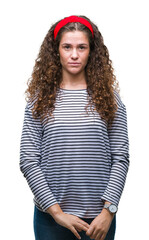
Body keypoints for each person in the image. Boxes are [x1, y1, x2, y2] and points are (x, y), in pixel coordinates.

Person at [19, 15, 129, 240]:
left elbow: (120, 157)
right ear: (56, 50)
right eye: (67, 47)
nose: (74, 55)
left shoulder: (110, 100)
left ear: (92, 52)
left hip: (99, 221)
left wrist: (109, 212)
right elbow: (28, 159)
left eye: (82, 47)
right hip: (51, 219)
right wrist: (56, 212)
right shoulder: (39, 101)